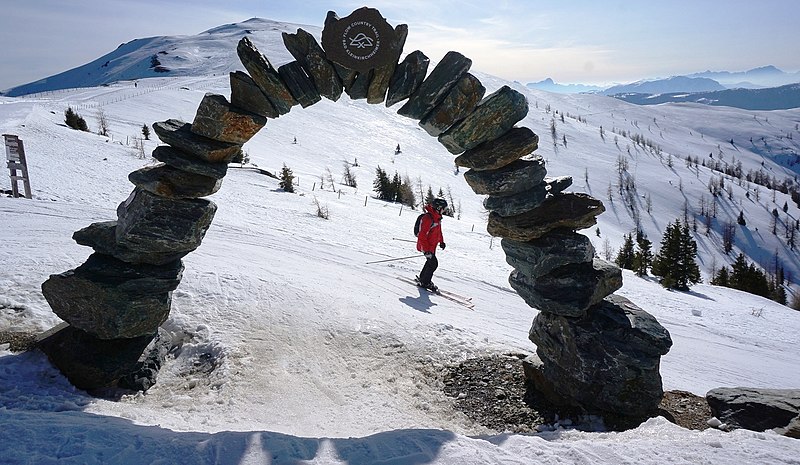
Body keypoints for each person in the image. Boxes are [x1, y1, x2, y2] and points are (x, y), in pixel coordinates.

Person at [416, 198, 447, 291]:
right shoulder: (428, 218)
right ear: (438, 208)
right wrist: (426, 250)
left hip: (432, 246)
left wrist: (441, 241)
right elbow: (421, 235)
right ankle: (425, 282)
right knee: (433, 263)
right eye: (443, 208)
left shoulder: (436, 217)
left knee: (430, 262)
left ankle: (423, 278)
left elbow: (438, 232)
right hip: (426, 246)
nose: (444, 211)